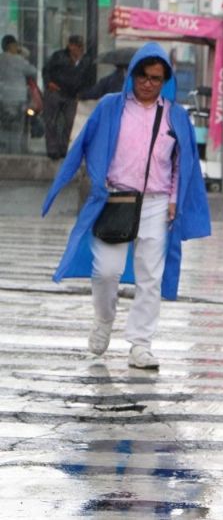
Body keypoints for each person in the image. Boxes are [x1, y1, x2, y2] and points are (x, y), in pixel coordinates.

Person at [41, 42, 211, 369]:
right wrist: (94, 179)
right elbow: (84, 146)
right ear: (132, 75)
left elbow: (182, 163)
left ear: (165, 80)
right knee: (106, 270)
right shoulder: (110, 107)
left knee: (151, 277)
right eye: (143, 76)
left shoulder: (175, 115)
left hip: (157, 204)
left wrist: (175, 199)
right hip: (116, 199)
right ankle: (104, 319)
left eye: (157, 78)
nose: (149, 83)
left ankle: (140, 343)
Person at [42, 34, 94, 160]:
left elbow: (89, 78)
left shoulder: (86, 60)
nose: (78, 49)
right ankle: (53, 150)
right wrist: (49, 83)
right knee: (51, 121)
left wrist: (82, 93)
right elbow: (46, 70)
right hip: (56, 92)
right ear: (70, 46)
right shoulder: (58, 56)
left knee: (69, 122)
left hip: (72, 95)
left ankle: (64, 148)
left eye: (81, 47)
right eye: (76, 46)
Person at [0, 35, 37, 153]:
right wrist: (22, 52)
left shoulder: (1, 59)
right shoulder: (19, 60)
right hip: (18, 97)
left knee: (4, 127)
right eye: (15, 45)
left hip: (3, 97)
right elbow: (33, 71)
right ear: (11, 46)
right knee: (17, 128)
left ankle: (4, 151)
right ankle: (15, 152)